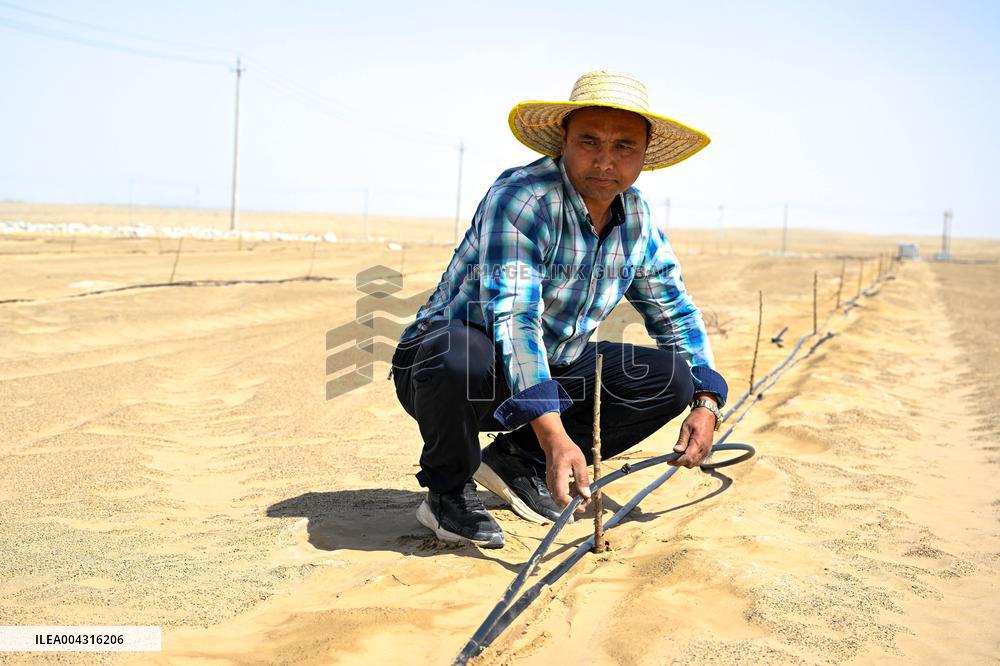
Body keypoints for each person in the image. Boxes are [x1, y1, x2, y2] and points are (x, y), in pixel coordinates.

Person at [391, 70, 727, 548]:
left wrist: (706, 401)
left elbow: (674, 312)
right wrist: (554, 434)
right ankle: (448, 490)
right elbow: (514, 317)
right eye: (589, 141)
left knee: (670, 378)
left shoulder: (636, 216)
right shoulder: (523, 197)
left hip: (552, 364)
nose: (605, 161)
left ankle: (517, 461)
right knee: (459, 353)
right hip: (451, 365)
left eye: (624, 146)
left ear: (644, 153)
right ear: (563, 139)